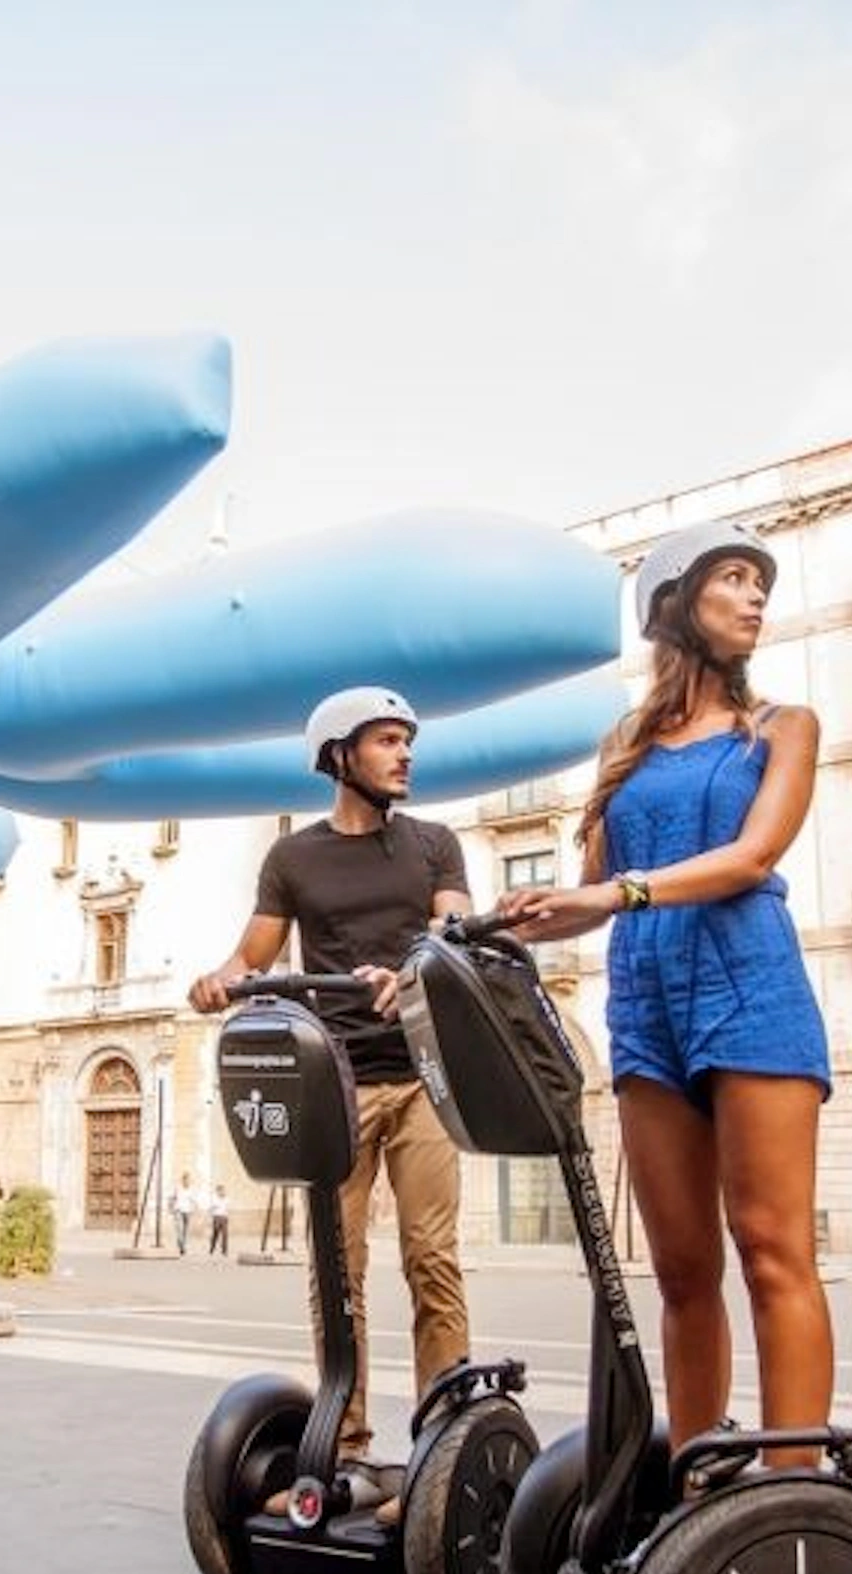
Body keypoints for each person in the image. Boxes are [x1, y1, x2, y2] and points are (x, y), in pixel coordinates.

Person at [497, 521, 831, 1470]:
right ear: (676, 603)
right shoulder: (626, 748)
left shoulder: (785, 728)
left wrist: (616, 894)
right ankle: (698, 1486)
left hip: (750, 989)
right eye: (735, 578)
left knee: (771, 1250)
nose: (756, 598)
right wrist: (503, 926)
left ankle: (788, 1494)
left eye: (761, 583)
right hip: (645, 1008)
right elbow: (587, 895)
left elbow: (751, 858)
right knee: (682, 1272)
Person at [188, 686, 473, 1516]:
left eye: (407, 740)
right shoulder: (293, 859)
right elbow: (251, 954)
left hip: (422, 1076)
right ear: (340, 756)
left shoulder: (434, 844)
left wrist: (414, 965)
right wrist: (218, 981)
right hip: (335, 1082)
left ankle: (443, 1447)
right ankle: (345, 1451)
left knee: (431, 1257)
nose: (405, 753)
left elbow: (454, 928)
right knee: (336, 1273)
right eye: (387, 740)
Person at [169, 1170, 200, 1255]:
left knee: (185, 1230)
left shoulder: (192, 1189)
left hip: (188, 1211)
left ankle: (182, 1245)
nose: (187, 1181)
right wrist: (170, 1208)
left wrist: (196, 1209)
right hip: (178, 1210)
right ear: (183, 1180)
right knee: (179, 1228)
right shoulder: (177, 1188)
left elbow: (194, 1200)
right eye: (185, 1179)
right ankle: (182, 1245)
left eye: (188, 1180)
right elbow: (172, 1197)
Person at [206, 1182, 231, 1258]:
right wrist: (212, 1216)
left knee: (225, 1234)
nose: (222, 1192)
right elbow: (210, 1208)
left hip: (224, 1218)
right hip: (216, 1217)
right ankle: (212, 1248)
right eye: (220, 1191)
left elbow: (227, 1208)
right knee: (215, 1234)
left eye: (223, 1190)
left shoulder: (227, 1199)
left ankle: (224, 1250)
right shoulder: (214, 1199)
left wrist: (227, 1216)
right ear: (218, 1191)